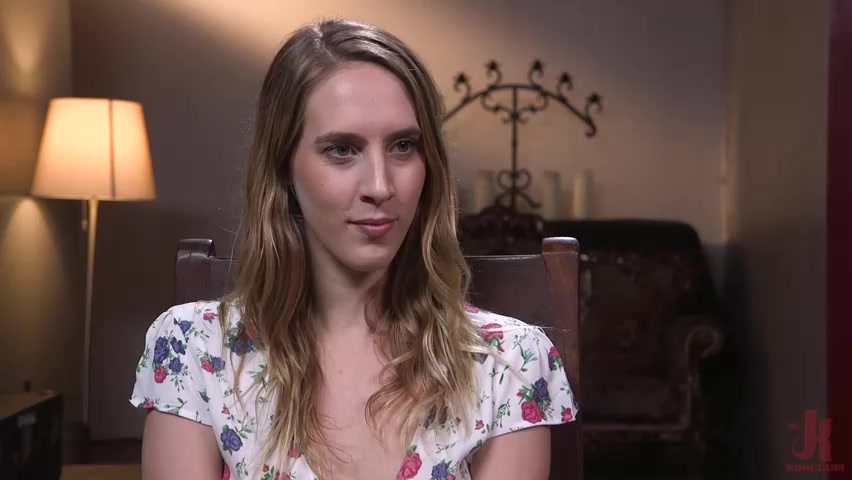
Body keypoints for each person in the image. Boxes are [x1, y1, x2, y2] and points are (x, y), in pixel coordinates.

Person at [130, 18, 577, 480]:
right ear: (283, 168)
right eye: (342, 150)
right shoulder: (194, 348)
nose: (380, 186)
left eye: (403, 146)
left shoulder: (508, 363)